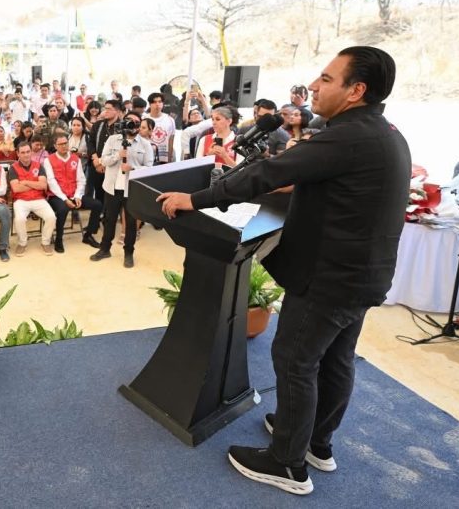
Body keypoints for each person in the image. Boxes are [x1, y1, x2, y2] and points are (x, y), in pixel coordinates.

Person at [157, 47, 411, 496]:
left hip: (328, 279)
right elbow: (333, 186)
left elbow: (268, 173)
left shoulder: (345, 137)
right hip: (361, 277)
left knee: (295, 361)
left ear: (356, 90)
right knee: (335, 360)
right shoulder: (382, 132)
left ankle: (287, 463)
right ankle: (315, 442)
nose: (313, 86)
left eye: (326, 79)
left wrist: (194, 200)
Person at [92, 112, 154, 267]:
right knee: (109, 220)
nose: (132, 124)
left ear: (140, 125)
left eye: (136, 122)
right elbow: (103, 161)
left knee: (131, 223)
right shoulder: (113, 140)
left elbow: (149, 168)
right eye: (129, 121)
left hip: (131, 189)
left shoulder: (145, 145)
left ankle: (128, 253)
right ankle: (105, 249)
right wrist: (117, 156)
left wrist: (133, 168)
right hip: (112, 187)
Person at [44, 134, 102, 253]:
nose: (64, 146)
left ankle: (88, 235)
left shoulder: (75, 159)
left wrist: (77, 196)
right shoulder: (48, 160)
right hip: (57, 196)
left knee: (97, 205)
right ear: (55, 146)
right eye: (60, 144)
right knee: (63, 209)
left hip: (74, 194)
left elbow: (81, 179)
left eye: (65, 143)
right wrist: (65, 199)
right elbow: (51, 182)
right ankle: (59, 239)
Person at [8, 141, 56, 256]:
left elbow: (43, 185)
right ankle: (22, 243)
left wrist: (25, 182)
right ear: (18, 154)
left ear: (31, 152)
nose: (26, 154)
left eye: (28, 151)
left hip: (38, 198)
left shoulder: (39, 166)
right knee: (19, 219)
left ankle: (45, 242)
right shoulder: (13, 168)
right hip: (21, 200)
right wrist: (35, 184)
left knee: (51, 217)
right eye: (23, 152)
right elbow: (16, 188)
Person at [195, 106, 244, 170]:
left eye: (218, 119)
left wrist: (225, 156)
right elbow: (197, 167)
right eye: (212, 119)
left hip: (231, 176)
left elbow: (241, 169)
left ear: (229, 121)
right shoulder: (204, 139)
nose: (214, 123)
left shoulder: (238, 141)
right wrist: (209, 156)